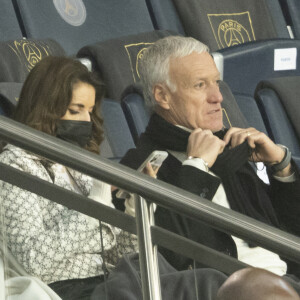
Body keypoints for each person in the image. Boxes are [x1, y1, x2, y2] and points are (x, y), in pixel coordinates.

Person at [120, 36, 300, 277]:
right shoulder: (141, 165)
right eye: (200, 85)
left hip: (286, 280)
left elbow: (289, 229)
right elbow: (168, 254)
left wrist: (282, 167)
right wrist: (197, 167)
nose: (218, 97)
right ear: (162, 96)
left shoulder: (231, 148)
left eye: (216, 82)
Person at [0, 56, 139, 299]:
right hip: (66, 290)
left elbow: (115, 256)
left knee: (200, 281)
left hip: (109, 282)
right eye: (76, 110)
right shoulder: (14, 165)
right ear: (46, 109)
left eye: (89, 110)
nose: (87, 120)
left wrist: (133, 209)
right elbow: (33, 260)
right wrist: (95, 204)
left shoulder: (78, 164)